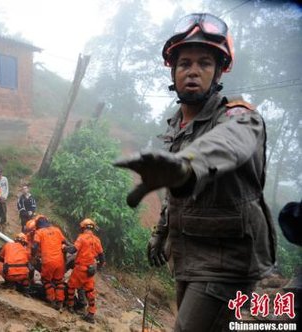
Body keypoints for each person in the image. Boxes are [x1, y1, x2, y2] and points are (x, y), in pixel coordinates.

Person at [114, 13, 276, 331]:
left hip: (228, 262)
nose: (193, 72)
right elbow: (174, 186)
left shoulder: (240, 118)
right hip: (190, 256)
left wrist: (187, 166)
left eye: (204, 63)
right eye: (184, 63)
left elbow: (228, 144)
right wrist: (161, 232)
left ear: (217, 73)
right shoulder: (178, 126)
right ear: (173, 72)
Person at [66, 218, 105, 324]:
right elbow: (102, 257)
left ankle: (70, 306)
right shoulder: (97, 240)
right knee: (90, 292)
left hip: (79, 269)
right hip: (90, 271)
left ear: (83, 228)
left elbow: (73, 250)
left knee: (70, 286)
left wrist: (64, 248)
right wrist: (98, 267)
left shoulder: (81, 238)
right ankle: (91, 314)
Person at [32, 216, 68, 311]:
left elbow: (34, 246)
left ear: (38, 225)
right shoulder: (57, 230)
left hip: (48, 261)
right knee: (59, 282)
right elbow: (65, 243)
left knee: (46, 281)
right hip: (60, 261)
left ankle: (52, 301)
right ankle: (60, 302)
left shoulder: (39, 232)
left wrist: (33, 256)